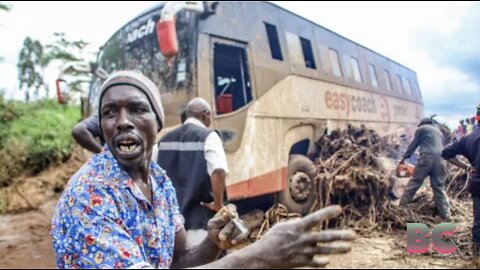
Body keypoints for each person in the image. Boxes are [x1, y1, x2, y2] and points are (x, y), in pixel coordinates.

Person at [51, 70, 356, 269]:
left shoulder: (158, 181)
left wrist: (212, 244)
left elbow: (180, 258)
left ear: (158, 123)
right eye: (109, 113)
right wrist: (258, 256)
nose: (122, 121)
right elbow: (219, 173)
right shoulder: (88, 194)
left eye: (136, 109)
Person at [157, 97, 228, 244]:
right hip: (199, 222)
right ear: (205, 115)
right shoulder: (209, 136)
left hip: (169, 226)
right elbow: (218, 171)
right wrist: (218, 204)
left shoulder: (163, 141)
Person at [442, 110, 480, 262]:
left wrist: (467, 167)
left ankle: (477, 258)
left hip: (478, 183)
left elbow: (446, 153)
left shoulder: (467, 138)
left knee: (479, 221)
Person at [399, 117, 451, 220]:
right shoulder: (439, 132)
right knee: (439, 188)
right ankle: (446, 215)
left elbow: (413, 145)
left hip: (427, 158)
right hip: (441, 160)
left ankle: (401, 209)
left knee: (414, 183)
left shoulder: (422, 129)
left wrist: (405, 158)